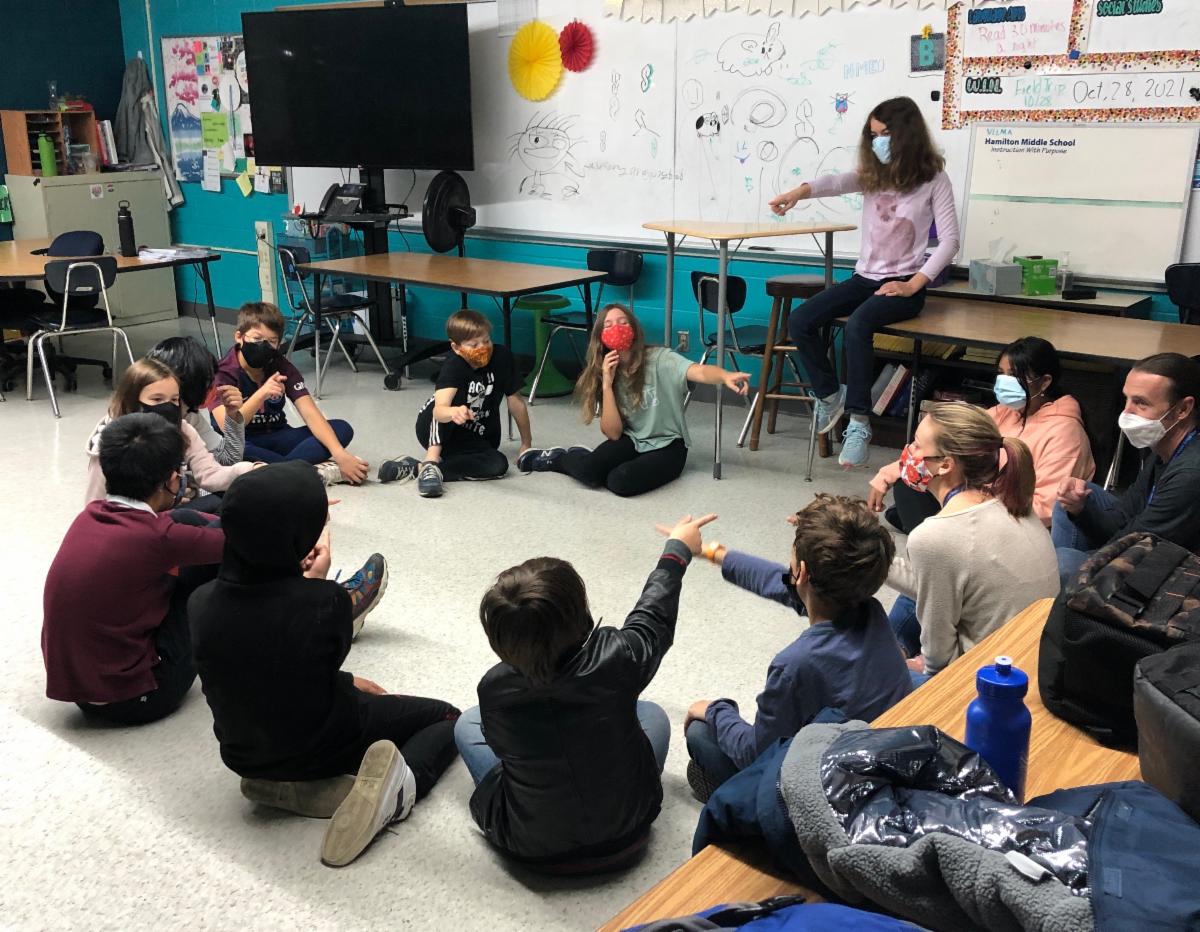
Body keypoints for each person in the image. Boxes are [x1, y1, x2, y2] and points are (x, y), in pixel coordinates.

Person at [190, 461, 458, 868]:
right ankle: (398, 792)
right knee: (447, 717)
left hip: (245, 755)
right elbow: (306, 641)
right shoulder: (325, 602)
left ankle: (286, 786)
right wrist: (314, 585)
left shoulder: (199, 602)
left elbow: (269, 657)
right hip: (317, 743)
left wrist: (346, 679)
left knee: (323, 692)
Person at [454, 514, 713, 866]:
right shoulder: (619, 658)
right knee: (652, 714)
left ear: (499, 639)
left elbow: (502, 749)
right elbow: (653, 618)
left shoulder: (493, 690)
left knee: (467, 725)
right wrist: (676, 551)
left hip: (532, 847)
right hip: (629, 831)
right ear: (581, 615)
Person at [677, 494, 911, 802]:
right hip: (881, 752)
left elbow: (756, 755)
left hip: (832, 787)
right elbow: (781, 583)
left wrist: (714, 710)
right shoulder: (869, 607)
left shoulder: (796, 664)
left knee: (701, 734)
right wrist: (713, 553)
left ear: (801, 573)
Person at [769, 96, 960, 469]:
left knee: (858, 326)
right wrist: (797, 193)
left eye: (884, 134)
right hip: (864, 278)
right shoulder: (874, 174)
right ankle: (831, 396)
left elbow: (950, 241)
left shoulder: (933, 179)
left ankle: (859, 422)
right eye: (873, 135)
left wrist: (913, 284)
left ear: (906, 134)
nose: (877, 142)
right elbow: (836, 182)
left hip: (904, 283)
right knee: (801, 320)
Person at [44, 414, 224, 725]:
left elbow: (181, 527)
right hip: (138, 699)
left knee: (188, 520)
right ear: (172, 480)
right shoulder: (157, 538)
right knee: (209, 573)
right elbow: (239, 541)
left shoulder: (90, 514)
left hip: (83, 692)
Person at [886, 402, 1058, 681]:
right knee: (917, 593)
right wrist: (873, 559)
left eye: (917, 445)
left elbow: (938, 659)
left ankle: (890, 654)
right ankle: (894, 651)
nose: (908, 451)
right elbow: (940, 585)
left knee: (864, 677)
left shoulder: (935, 536)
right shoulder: (1012, 501)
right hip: (1032, 661)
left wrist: (922, 668)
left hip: (987, 682)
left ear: (946, 464)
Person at [516, 304, 750, 497]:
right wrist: (607, 385)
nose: (616, 329)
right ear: (601, 337)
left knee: (619, 482)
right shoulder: (606, 369)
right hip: (632, 439)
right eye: (608, 325)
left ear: (634, 330)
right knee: (589, 472)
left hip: (668, 446)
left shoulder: (660, 359)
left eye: (623, 322)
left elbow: (698, 371)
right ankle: (561, 458)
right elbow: (613, 433)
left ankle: (598, 462)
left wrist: (724, 376)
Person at [869, 337, 1094, 531]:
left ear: (1045, 382)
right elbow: (941, 442)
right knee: (910, 483)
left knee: (919, 506)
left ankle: (924, 527)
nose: (1004, 382)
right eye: (1002, 373)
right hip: (978, 504)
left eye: (1015, 375)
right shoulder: (1003, 412)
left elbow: (1046, 508)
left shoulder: (1066, 434)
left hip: (1011, 524)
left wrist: (975, 509)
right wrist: (887, 474)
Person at [1053, 353, 1200, 585]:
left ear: (1183, 409)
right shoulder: (1163, 447)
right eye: (1127, 399)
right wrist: (1079, 509)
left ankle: (1067, 594)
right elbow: (1123, 517)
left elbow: (1131, 548)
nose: (1126, 412)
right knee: (1070, 503)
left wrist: (1083, 564)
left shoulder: (1190, 474)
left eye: (1141, 403)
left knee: (1064, 563)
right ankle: (1065, 591)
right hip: (1145, 542)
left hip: (1176, 577)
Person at [377, 309, 533, 499]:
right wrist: (453, 412)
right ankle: (431, 460)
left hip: (474, 434)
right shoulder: (454, 365)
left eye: (486, 341)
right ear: (456, 347)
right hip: (436, 427)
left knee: (498, 464)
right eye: (474, 345)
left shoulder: (502, 357)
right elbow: (439, 411)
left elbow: (516, 402)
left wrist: (526, 443)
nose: (483, 348)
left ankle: (418, 469)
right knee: (454, 399)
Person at [210, 301, 368, 486]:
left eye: (272, 341)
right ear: (239, 336)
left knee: (341, 429)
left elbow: (309, 412)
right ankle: (311, 472)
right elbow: (226, 427)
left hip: (279, 435)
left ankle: (284, 471)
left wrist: (340, 455)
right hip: (244, 442)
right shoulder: (221, 373)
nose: (264, 346)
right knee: (235, 453)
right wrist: (262, 393)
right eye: (257, 339)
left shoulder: (280, 364)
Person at [85, 357, 255, 508]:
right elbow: (95, 504)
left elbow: (210, 473)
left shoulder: (183, 428)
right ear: (132, 399)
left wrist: (251, 470)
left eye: (174, 399)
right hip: (135, 518)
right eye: (157, 399)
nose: (167, 406)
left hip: (175, 507)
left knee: (234, 500)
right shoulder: (110, 444)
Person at [148, 335, 245, 467]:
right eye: (208, 381)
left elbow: (227, 459)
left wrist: (232, 414)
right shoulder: (138, 424)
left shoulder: (189, 415)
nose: (214, 387)